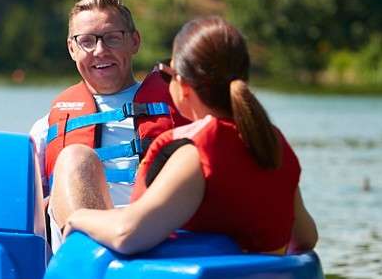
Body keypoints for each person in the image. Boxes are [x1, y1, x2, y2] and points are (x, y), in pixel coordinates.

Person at [64, 16, 318, 256]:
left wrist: (78, 217)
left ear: (183, 86)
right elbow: (306, 237)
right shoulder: (271, 142)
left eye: (167, 74)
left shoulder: (196, 155)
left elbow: (126, 234)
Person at [29, 0, 186, 253]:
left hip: (157, 240)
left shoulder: (180, 107)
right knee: (74, 158)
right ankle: (90, 270)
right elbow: (32, 220)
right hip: (84, 253)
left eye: (113, 39)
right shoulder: (45, 129)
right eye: (87, 41)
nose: (100, 51)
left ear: (134, 42)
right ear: (72, 48)